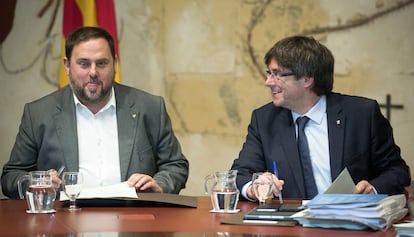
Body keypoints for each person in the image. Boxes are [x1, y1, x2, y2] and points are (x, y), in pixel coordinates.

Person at [1, 26, 189, 198]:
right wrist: (37, 182)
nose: (93, 72)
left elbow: (175, 165)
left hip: (133, 219)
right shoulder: (39, 113)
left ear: (114, 63)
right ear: (67, 66)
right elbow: (11, 177)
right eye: (84, 63)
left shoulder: (149, 107)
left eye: (101, 63)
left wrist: (160, 184)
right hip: (64, 221)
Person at [231, 35, 411, 201]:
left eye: (277, 74)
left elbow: (398, 172)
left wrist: (372, 188)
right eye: (269, 73)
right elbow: (240, 174)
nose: (268, 82)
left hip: (352, 226)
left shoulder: (362, 114)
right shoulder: (264, 120)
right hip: (291, 227)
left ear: (307, 79)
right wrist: (254, 187)